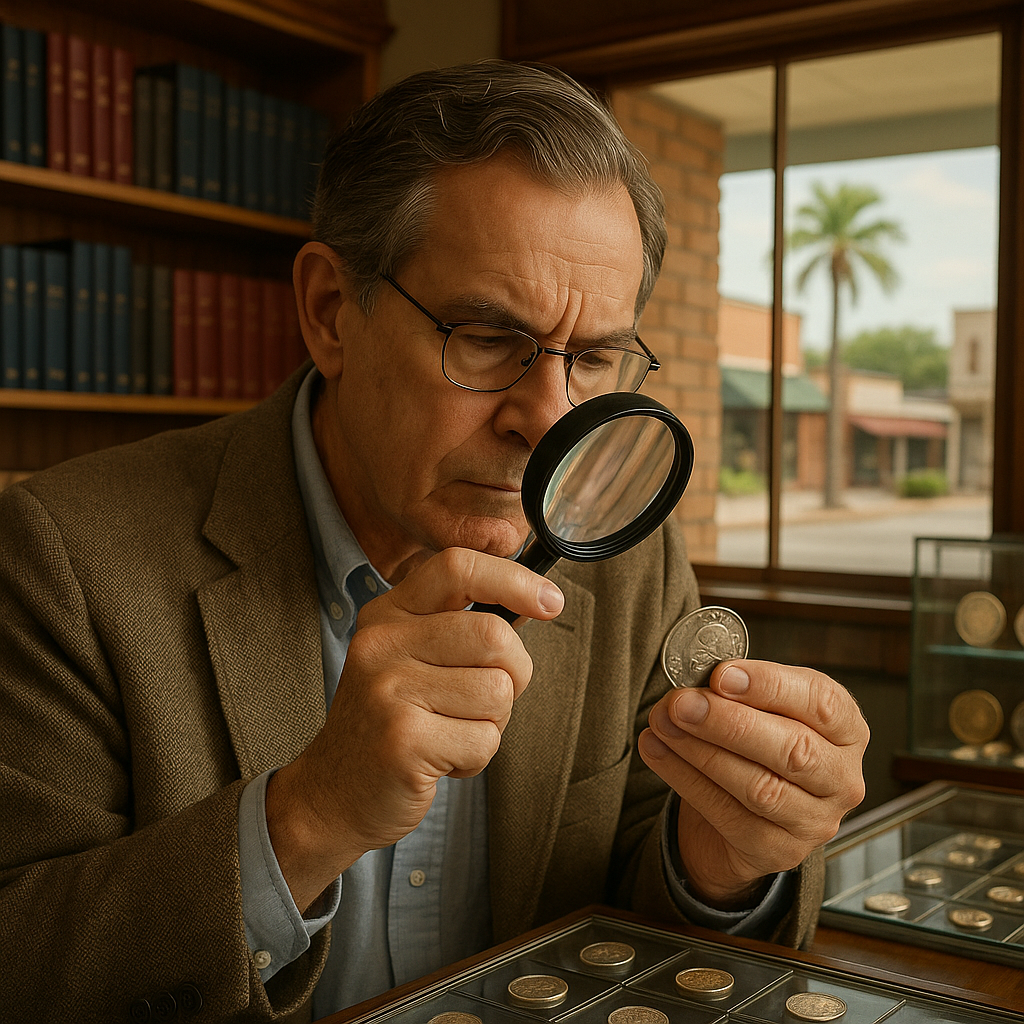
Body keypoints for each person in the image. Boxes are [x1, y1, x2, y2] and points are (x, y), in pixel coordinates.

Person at [0, 60, 869, 1023]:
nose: (549, 425)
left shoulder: (623, 555)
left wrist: (722, 860)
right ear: (331, 312)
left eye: (590, 358)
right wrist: (308, 816)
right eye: (488, 338)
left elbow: (635, 894)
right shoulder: (65, 556)